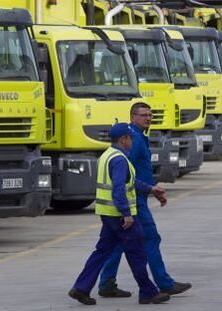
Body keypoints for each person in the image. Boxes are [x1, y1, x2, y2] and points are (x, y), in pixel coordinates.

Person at [68, 123, 170, 305]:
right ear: (124, 139)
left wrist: (151, 189)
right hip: (120, 216)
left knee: (102, 252)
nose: (132, 141)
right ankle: (148, 292)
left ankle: (81, 288)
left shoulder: (108, 155)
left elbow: (130, 182)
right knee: (137, 252)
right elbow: (118, 189)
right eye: (131, 138)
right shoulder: (120, 160)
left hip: (108, 215)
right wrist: (127, 214)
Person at [98, 103, 192, 298]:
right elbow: (126, 173)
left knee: (117, 241)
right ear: (132, 117)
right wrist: (148, 190)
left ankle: (106, 282)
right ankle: (163, 283)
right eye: (143, 115)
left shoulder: (138, 136)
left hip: (135, 196)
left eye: (150, 115)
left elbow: (137, 170)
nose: (148, 119)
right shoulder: (134, 140)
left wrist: (153, 188)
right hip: (134, 199)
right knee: (150, 238)